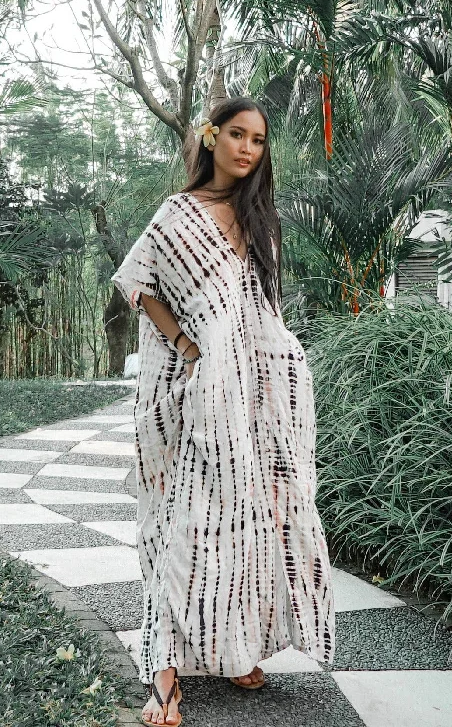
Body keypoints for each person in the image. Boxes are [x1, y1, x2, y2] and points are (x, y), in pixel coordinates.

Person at [111, 97, 335, 727]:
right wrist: (185, 345)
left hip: (258, 394)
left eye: (259, 140)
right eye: (237, 135)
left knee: (254, 515)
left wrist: (281, 371)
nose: (247, 149)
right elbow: (138, 283)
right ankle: (166, 678)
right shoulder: (177, 214)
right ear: (212, 138)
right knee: (183, 519)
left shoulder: (261, 218)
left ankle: (236, 648)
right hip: (196, 394)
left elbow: (262, 308)